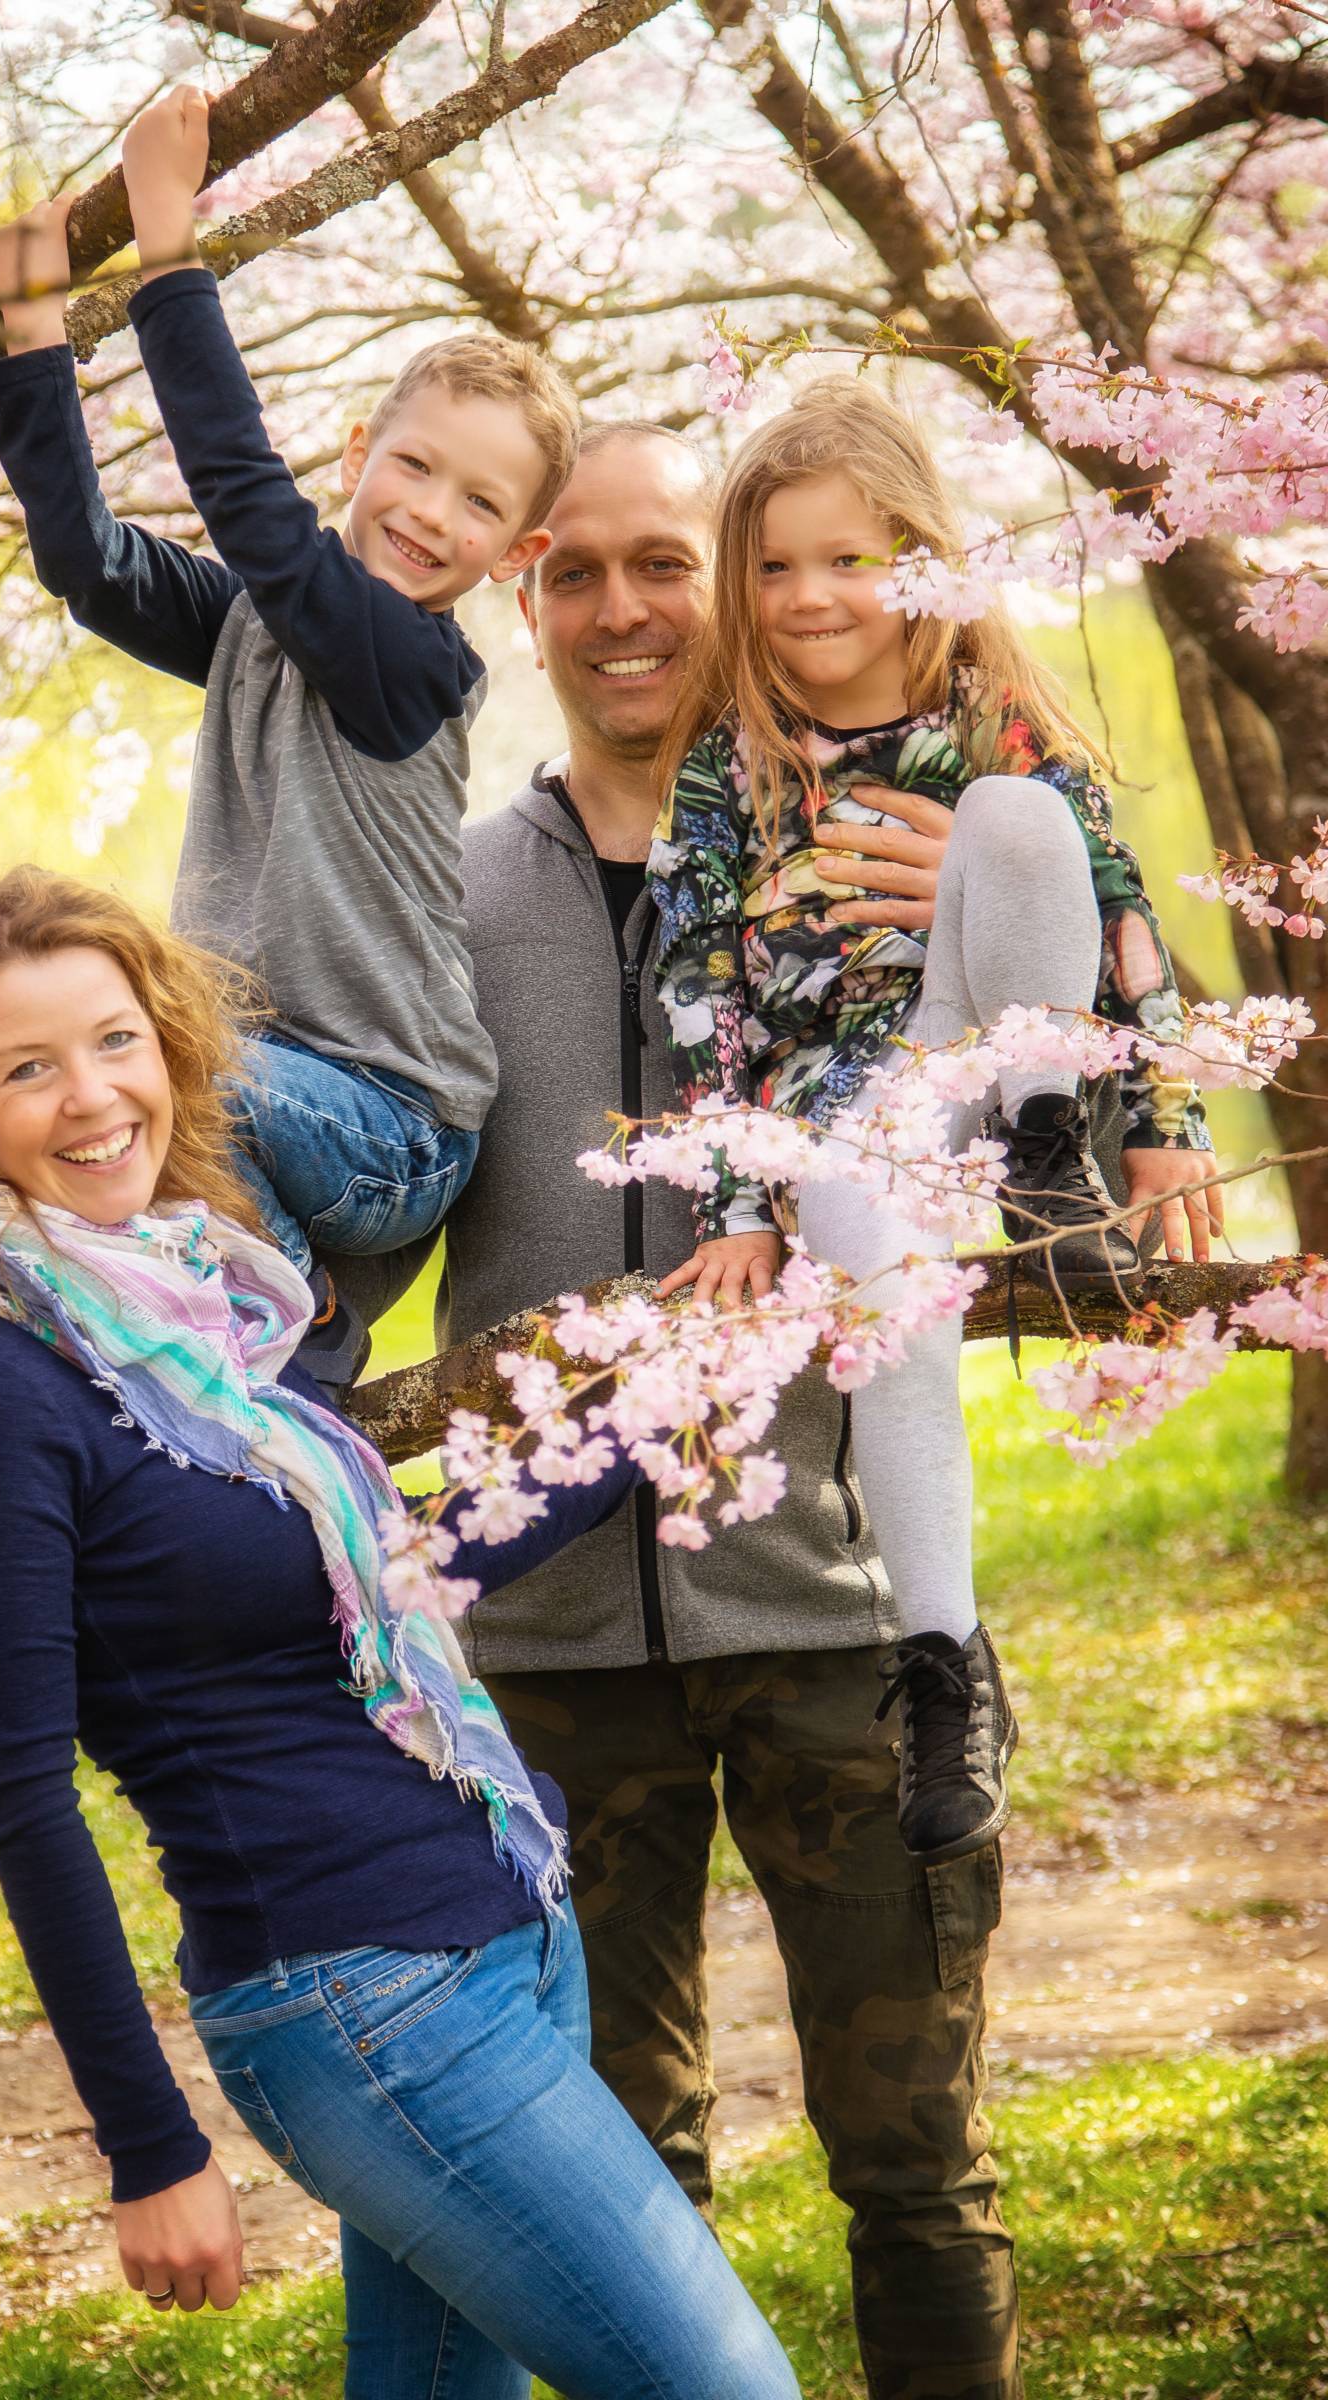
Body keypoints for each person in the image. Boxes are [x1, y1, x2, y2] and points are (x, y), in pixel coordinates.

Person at [0, 866, 801, 2400]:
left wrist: (650, 1417)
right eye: (29, 1068)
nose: (92, 1097)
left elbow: (395, 1569)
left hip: (504, 1926)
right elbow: (21, 1794)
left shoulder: (200, 1311)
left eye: (115, 1041)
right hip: (358, 2001)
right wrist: (147, 2145)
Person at [371, 415, 1028, 2400]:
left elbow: (1039, 1154)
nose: (623, 607)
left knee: (915, 2172)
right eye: (574, 568)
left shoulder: (877, 837)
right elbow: (362, 1207)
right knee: (614, 2185)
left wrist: (975, 964)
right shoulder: (453, 890)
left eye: (668, 560)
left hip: (836, 1621)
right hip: (550, 1664)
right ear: (524, 596)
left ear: (730, 582)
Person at [648, 379, 1216, 1865]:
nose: (809, 596)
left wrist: (1167, 1118)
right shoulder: (728, 766)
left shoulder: (994, 719)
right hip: (856, 1114)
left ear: (921, 558)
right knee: (871, 1270)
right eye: (772, 567)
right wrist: (732, 1204)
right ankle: (946, 1666)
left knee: (1025, 825)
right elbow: (701, 991)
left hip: (1002, 1062)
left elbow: (1125, 916)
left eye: (849, 559)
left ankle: (1048, 1163)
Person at [0, 83, 578, 1277]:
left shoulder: (411, 665)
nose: (429, 513)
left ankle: (270, 1327)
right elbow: (89, 565)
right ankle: (279, 1341)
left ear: (515, 555)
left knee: (156, 1058)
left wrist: (165, 232)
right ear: (359, 453)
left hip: (393, 1125)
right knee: (131, 1067)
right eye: (413, 465)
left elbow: (249, 501)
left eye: (481, 505)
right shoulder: (267, 625)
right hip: (247, 1093)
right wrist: (34, 338)